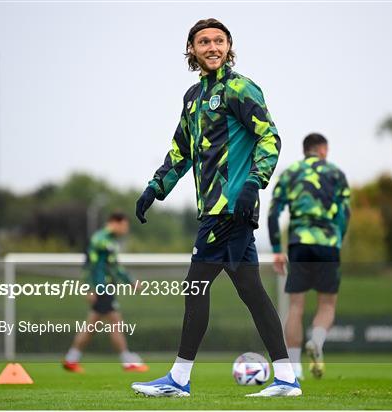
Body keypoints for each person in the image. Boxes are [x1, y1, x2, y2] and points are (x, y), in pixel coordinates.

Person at [131, 18, 301, 398]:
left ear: (229, 46)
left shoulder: (240, 88)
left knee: (195, 286)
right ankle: (287, 377)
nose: (212, 47)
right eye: (204, 41)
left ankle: (178, 378)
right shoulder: (192, 97)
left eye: (219, 41)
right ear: (191, 49)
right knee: (251, 291)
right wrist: (155, 187)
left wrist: (254, 183)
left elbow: (269, 136)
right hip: (213, 211)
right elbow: (181, 150)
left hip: (231, 210)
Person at [268, 133, 350, 379]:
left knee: (295, 306)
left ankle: (294, 368)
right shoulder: (336, 173)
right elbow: (344, 213)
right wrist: (338, 239)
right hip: (328, 244)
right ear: (323, 149)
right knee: (327, 304)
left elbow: (273, 213)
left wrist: (276, 250)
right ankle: (316, 340)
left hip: (299, 244)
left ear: (306, 150)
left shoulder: (291, 172)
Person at [63, 211, 149, 373]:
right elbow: (90, 265)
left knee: (91, 325)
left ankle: (71, 359)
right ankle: (127, 360)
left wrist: (130, 282)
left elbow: (114, 267)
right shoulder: (100, 240)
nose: (125, 230)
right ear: (115, 223)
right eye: (124, 226)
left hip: (106, 288)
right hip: (101, 289)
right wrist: (90, 288)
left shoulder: (110, 241)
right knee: (115, 322)